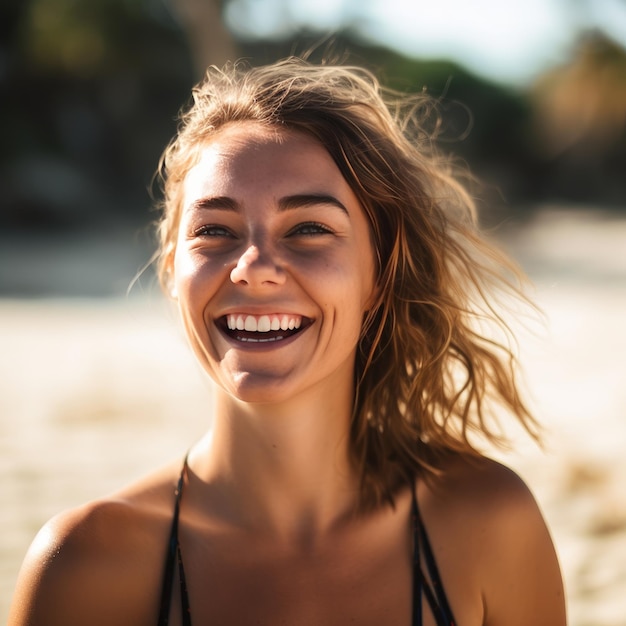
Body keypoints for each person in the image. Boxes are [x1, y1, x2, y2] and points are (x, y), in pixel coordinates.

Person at [8, 57, 566, 626]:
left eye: (308, 229)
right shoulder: (86, 566)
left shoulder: (488, 526)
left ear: (379, 274)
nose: (252, 268)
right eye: (215, 231)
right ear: (173, 271)